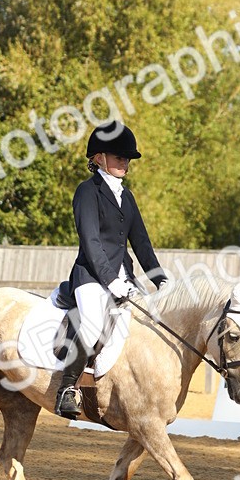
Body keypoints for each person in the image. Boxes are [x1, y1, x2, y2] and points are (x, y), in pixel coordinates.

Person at [54, 122, 167, 419]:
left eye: (127, 159)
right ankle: (67, 389)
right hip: (91, 276)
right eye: (119, 157)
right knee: (91, 323)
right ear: (98, 158)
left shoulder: (126, 196)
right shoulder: (86, 192)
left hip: (124, 278)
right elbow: (91, 241)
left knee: (147, 323)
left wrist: (161, 281)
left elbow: (141, 243)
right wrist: (110, 280)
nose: (125, 163)